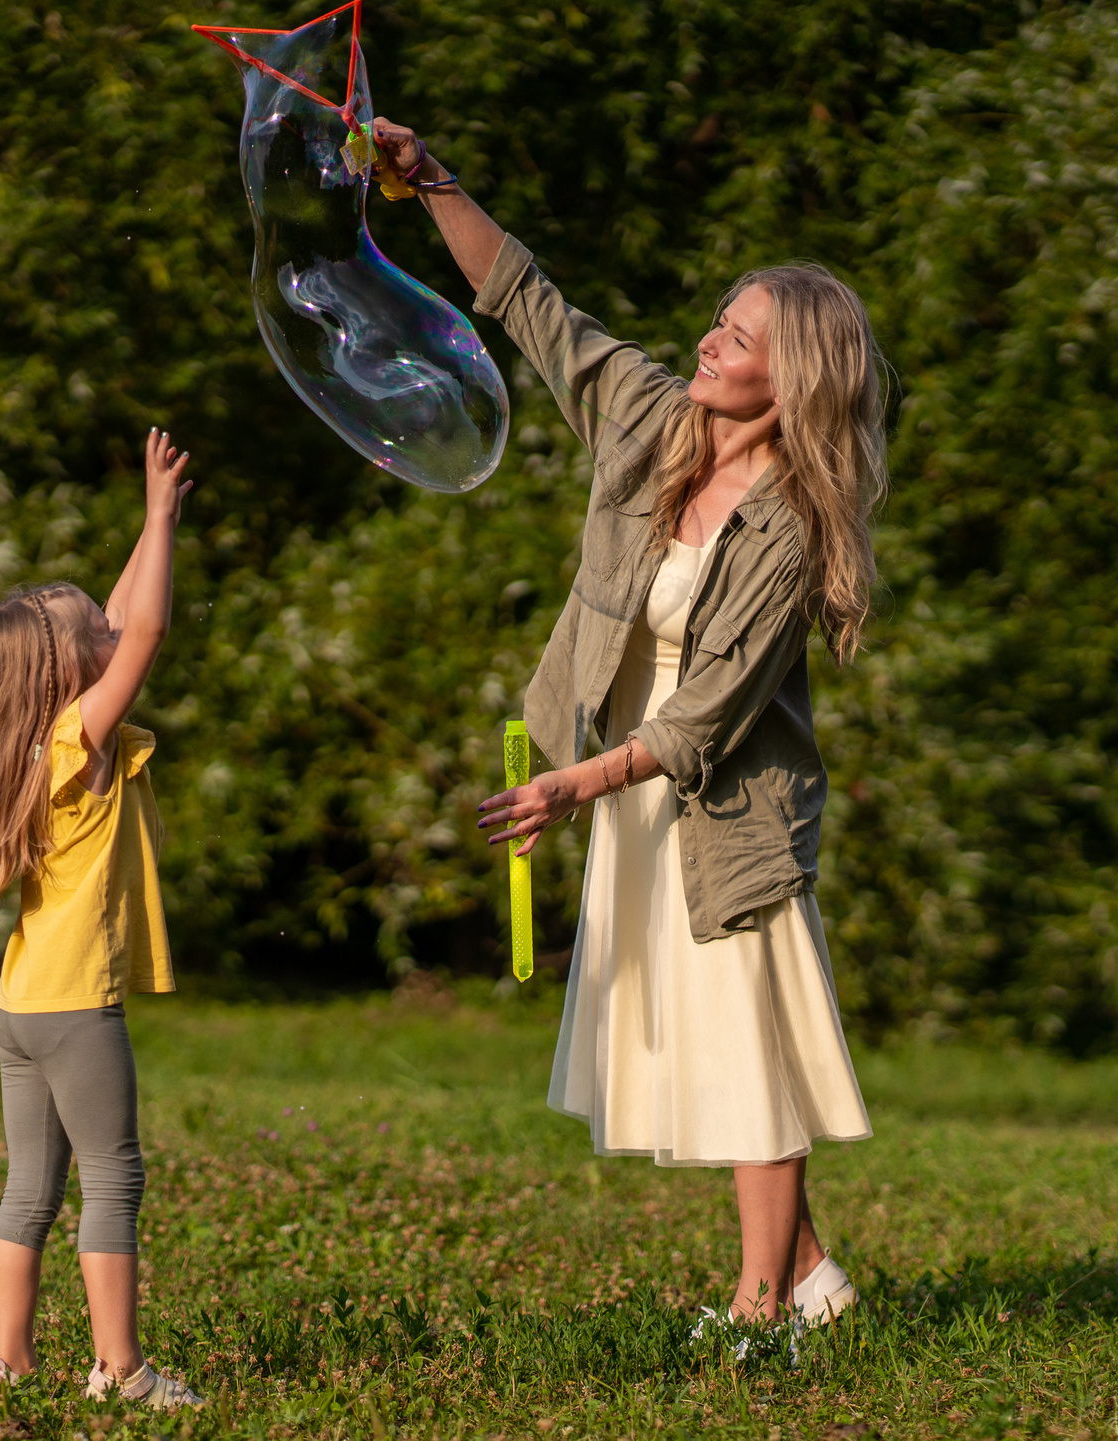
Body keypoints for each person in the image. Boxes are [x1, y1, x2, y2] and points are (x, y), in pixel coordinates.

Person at [371, 119, 885, 1332]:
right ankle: (810, 1280)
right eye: (718, 319)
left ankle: (761, 1305)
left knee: (748, 1052)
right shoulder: (655, 423)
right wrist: (432, 179)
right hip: (630, 786)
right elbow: (528, 303)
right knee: (707, 1047)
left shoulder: (790, 524)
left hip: (718, 801)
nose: (708, 340)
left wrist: (568, 787)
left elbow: (705, 719)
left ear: (794, 376)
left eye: (739, 336)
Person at [0, 428, 206, 1409]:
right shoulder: (80, 738)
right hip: (76, 1007)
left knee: (27, 1190)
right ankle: (119, 1370)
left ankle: (11, 1365)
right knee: (114, 1177)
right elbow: (145, 631)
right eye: (92, 635)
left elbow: (118, 619)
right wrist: (158, 519)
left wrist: (146, 524)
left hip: (17, 1005)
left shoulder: (35, 744)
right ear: (70, 673)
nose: (112, 629)